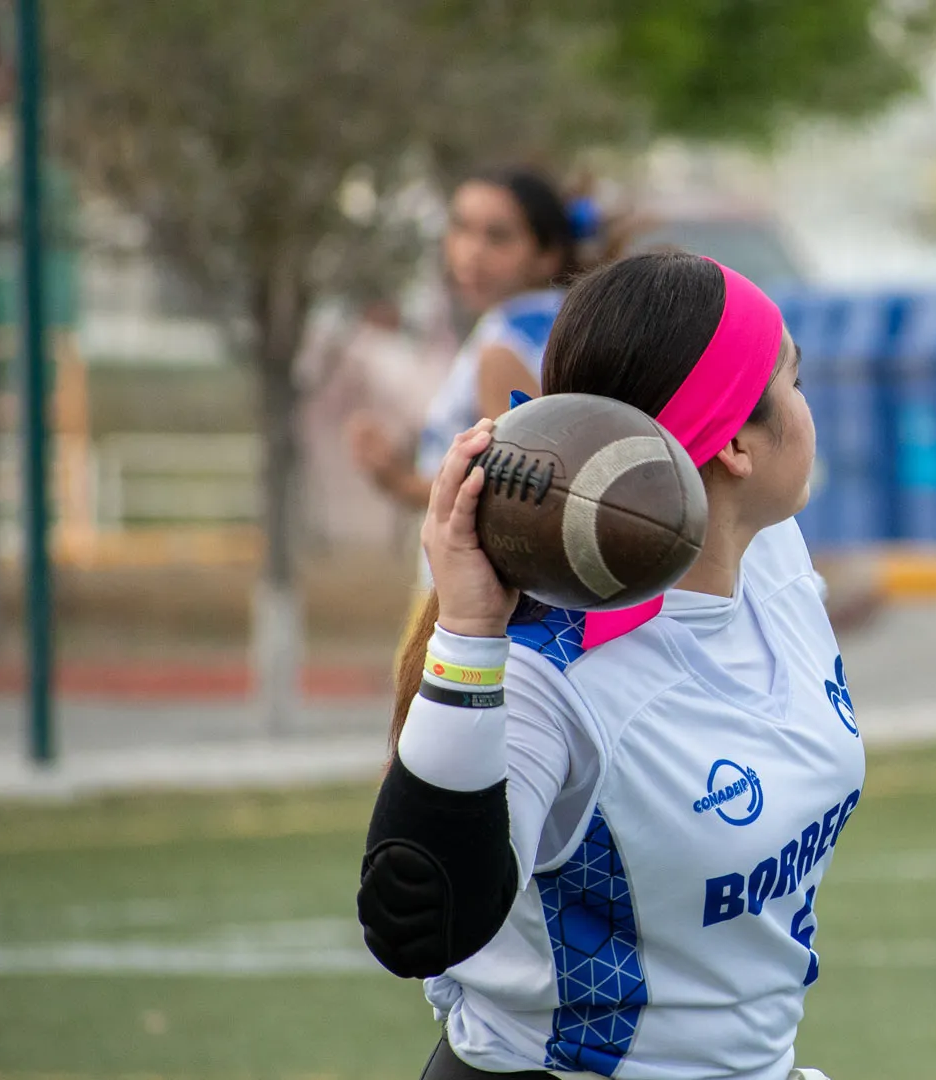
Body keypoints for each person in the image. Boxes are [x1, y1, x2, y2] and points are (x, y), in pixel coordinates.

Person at [355, 251, 857, 1080]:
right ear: (735, 442)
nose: (809, 409)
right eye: (793, 382)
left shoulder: (769, 555)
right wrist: (470, 638)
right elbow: (419, 923)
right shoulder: (552, 669)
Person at [350, 167, 585, 517]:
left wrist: (398, 481)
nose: (471, 252)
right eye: (460, 228)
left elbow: (516, 496)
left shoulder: (506, 347)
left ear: (546, 254)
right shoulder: (564, 322)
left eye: (498, 237)